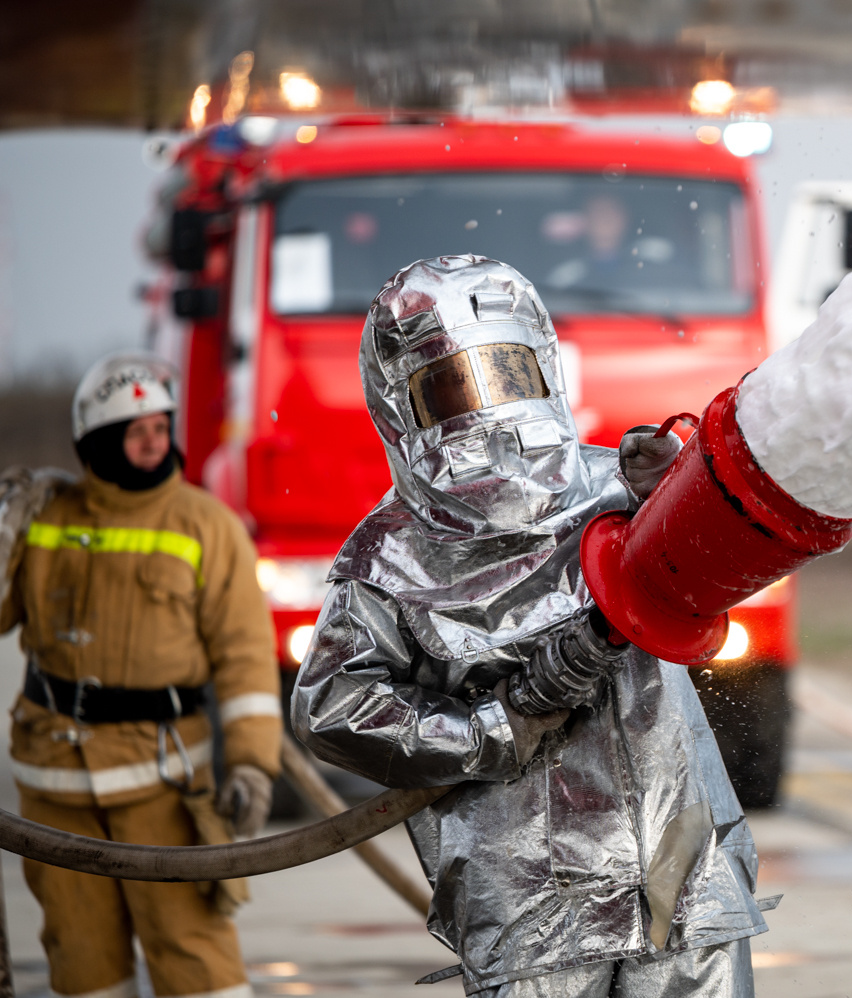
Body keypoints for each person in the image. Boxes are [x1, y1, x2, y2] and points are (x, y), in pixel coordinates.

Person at [292, 255, 765, 997]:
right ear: (400, 407)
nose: (486, 407)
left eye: (508, 374)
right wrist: (489, 728)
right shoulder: (390, 558)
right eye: (450, 386)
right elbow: (329, 708)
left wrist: (689, 503)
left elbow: (715, 597)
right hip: (530, 907)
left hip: (681, 877)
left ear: (545, 368)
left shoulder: (623, 491)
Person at [0, 353, 283, 998]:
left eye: (162, 425)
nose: (155, 440)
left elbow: (244, 660)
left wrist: (250, 766)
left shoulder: (206, 524)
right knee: (81, 958)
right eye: (136, 430)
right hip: (53, 790)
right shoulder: (46, 518)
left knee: (194, 955)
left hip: (164, 787)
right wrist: (2, 534)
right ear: (97, 441)